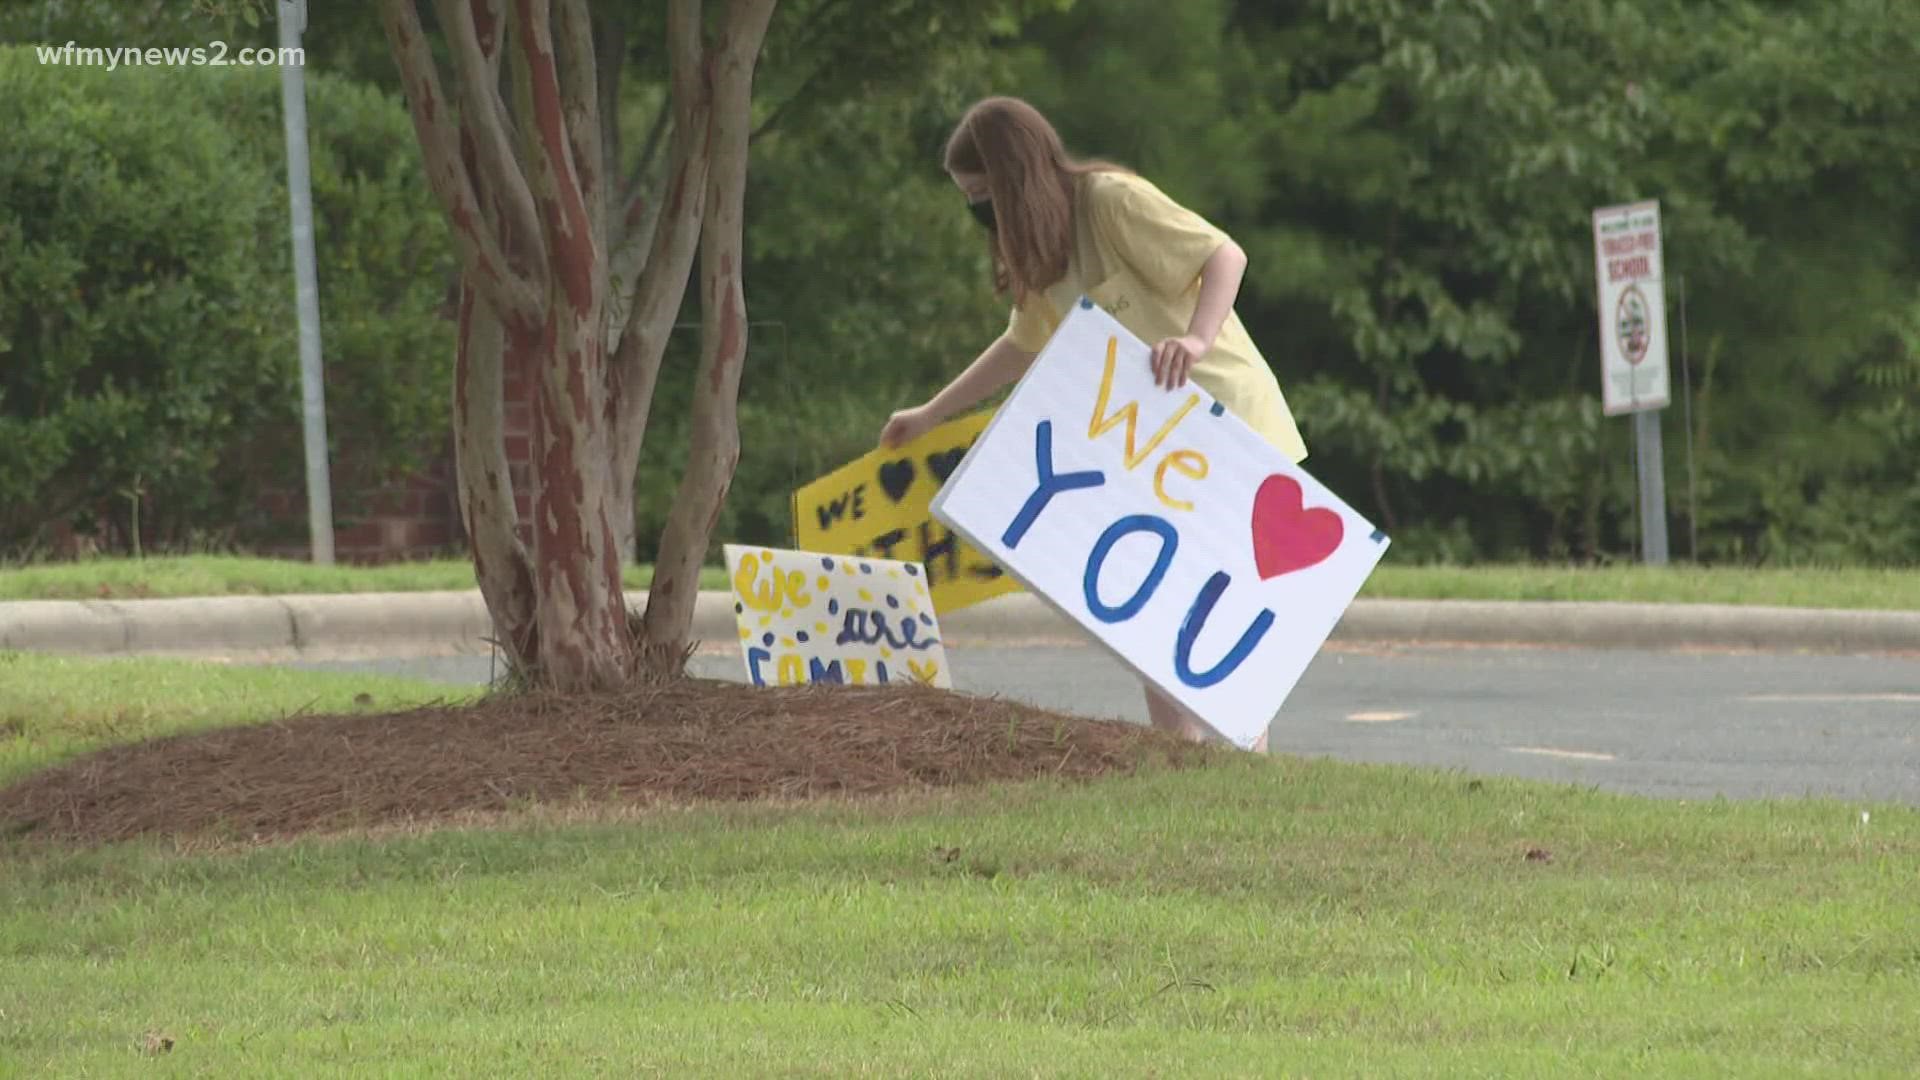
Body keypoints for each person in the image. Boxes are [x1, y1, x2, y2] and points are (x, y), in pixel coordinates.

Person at [878, 95, 1307, 752]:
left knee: (1214, 605)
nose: (977, 213)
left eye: (980, 195)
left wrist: (1194, 340)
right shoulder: (1042, 250)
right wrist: (933, 411)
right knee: (1149, 608)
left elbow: (1225, 256)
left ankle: (1249, 759)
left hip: (1223, 421)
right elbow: (1022, 344)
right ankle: (1181, 758)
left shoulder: (1109, 201)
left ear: (1013, 179)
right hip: (1148, 445)